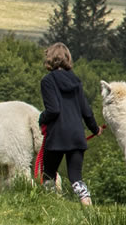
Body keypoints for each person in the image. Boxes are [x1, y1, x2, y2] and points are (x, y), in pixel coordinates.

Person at [38, 43, 100, 205]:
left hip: (57, 135)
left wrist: (41, 119)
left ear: (50, 59)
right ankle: (87, 205)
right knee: (76, 177)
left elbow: (53, 110)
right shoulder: (76, 81)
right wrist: (95, 128)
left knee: (49, 174)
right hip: (76, 135)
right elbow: (86, 110)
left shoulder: (47, 81)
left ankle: (50, 205)